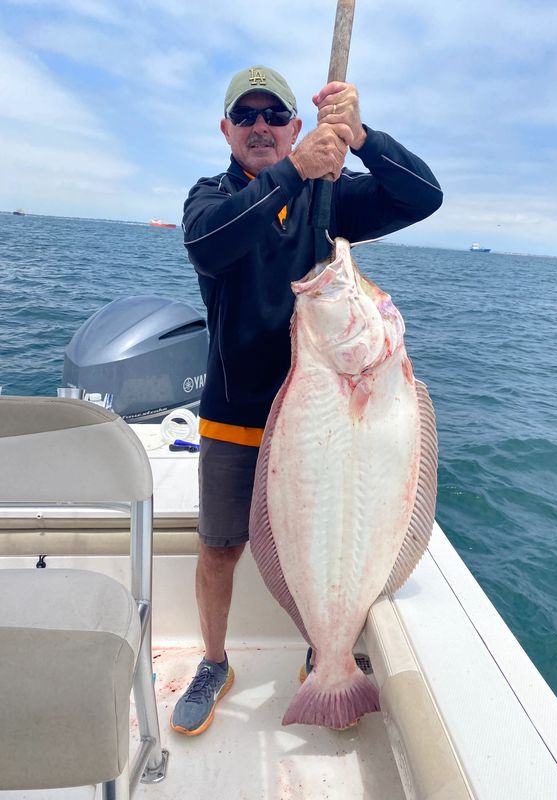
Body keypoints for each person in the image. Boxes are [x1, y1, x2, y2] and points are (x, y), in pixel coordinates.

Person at [170, 65, 443, 736]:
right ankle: (213, 662)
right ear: (227, 129)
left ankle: (325, 651)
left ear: (296, 123)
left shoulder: (331, 195)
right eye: (247, 116)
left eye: (275, 116)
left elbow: (423, 197)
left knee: (329, 537)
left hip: (322, 425)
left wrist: (363, 138)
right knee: (220, 547)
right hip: (238, 414)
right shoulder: (212, 197)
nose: (260, 126)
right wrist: (293, 169)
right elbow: (210, 246)